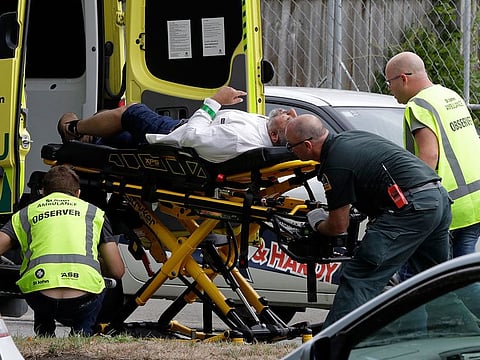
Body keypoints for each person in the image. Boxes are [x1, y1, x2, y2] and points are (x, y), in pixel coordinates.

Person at [284, 114, 452, 328]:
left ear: (307, 145)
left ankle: (332, 344)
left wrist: (317, 221)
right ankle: (461, 337)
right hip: (437, 198)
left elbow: (338, 226)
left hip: (411, 209)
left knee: (359, 277)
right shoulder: (351, 138)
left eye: (291, 147)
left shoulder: (335, 164)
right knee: (437, 280)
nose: (291, 151)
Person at [0, 165, 125, 337]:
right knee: (101, 286)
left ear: (43, 192)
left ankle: (44, 332)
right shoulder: (94, 213)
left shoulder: (26, 213)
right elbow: (117, 271)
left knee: (39, 280)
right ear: (78, 193)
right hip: (83, 298)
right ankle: (82, 334)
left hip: (41, 296)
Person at [385, 51, 480, 262]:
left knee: (445, 279)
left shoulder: (418, 105)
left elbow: (429, 155)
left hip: (452, 206)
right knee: (460, 274)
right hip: (476, 200)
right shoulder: (449, 95)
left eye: (389, 82)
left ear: (403, 78)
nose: (389, 89)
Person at [57, 86, 295, 163]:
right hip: (181, 128)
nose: (289, 111)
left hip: (175, 134)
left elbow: (191, 137)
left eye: (290, 118)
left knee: (131, 112)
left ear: (275, 137)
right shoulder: (266, 129)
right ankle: (91, 140)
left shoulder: (240, 139)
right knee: (123, 138)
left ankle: (74, 129)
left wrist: (214, 102)